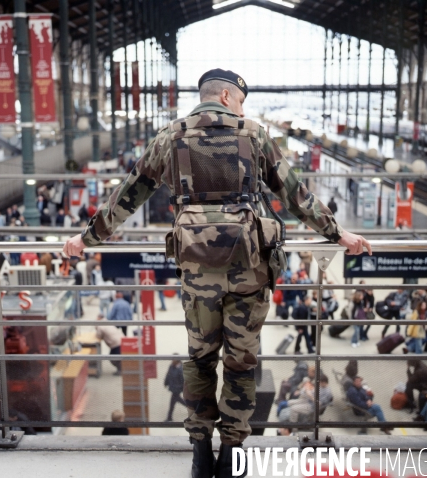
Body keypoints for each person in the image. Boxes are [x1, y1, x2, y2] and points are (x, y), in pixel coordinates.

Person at [63, 68, 371, 478]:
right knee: (241, 365)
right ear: (227, 96)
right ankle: (231, 455)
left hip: (197, 274)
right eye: (240, 99)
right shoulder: (255, 134)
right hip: (249, 272)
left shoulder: (171, 136)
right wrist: (338, 233)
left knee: (200, 360)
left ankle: (199, 453)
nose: (243, 108)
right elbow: (296, 197)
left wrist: (87, 239)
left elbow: (129, 193)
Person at [164, 357, 186, 421]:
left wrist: (182, 387)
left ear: (177, 361)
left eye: (173, 360)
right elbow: (168, 375)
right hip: (173, 387)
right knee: (176, 400)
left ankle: (169, 417)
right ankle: (192, 408)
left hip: (177, 388)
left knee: (173, 402)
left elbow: (183, 380)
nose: (172, 361)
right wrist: (166, 382)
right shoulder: (171, 366)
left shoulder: (181, 369)